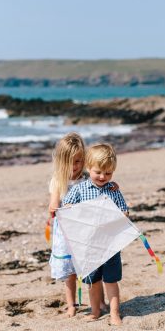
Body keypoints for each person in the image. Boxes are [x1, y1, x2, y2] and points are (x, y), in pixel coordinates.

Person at [49, 133, 118, 317]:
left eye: (78, 161)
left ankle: (100, 302)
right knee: (70, 270)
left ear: (85, 160)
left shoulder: (89, 177)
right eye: (69, 162)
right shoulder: (58, 180)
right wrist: (59, 207)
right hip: (66, 231)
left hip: (87, 231)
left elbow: (102, 187)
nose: (74, 167)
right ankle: (71, 304)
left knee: (92, 267)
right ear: (60, 161)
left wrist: (112, 186)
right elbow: (53, 206)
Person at [62, 143, 128, 326]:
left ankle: (114, 313)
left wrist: (117, 215)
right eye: (98, 172)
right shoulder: (78, 189)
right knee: (93, 281)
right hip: (88, 246)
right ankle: (96, 311)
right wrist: (70, 209)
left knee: (111, 280)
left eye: (108, 174)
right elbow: (66, 208)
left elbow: (124, 212)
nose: (103, 177)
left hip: (110, 245)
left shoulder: (113, 190)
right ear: (88, 168)